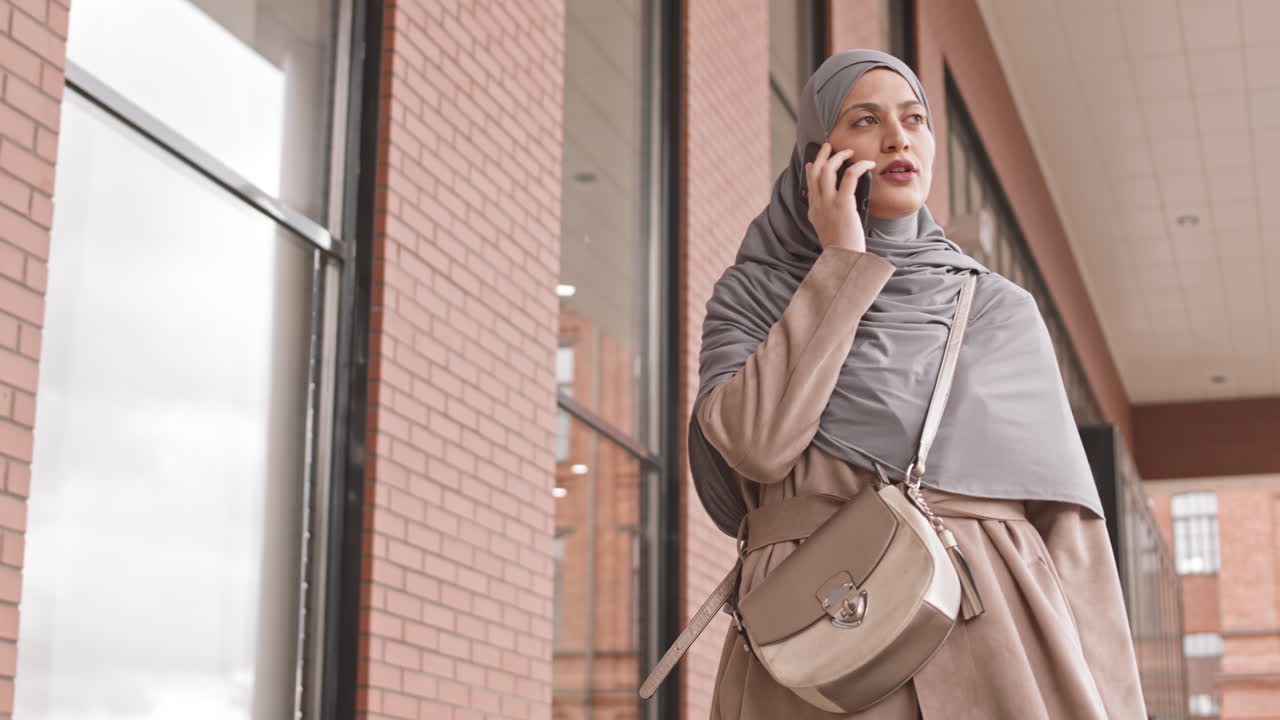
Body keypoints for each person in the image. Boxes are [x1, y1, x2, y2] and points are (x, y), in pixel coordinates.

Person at [689, 49, 1147, 719]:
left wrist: (1116, 703)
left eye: (915, 120)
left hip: (995, 634)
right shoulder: (755, 294)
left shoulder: (996, 308)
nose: (900, 138)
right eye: (865, 118)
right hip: (821, 637)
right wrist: (842, 266)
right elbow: (758, 447)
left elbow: (1069, 532)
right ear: (818, 152)